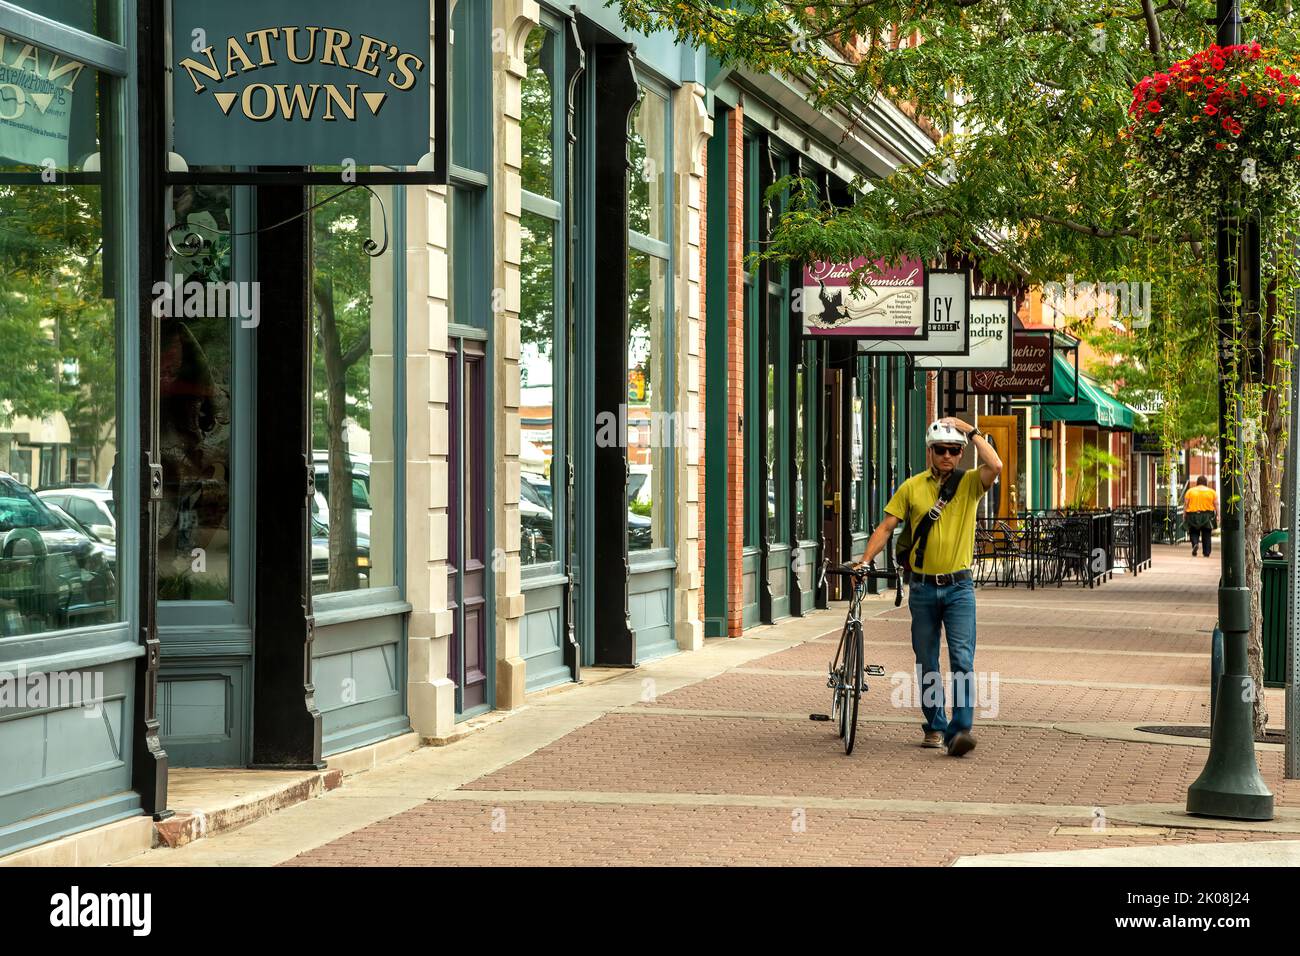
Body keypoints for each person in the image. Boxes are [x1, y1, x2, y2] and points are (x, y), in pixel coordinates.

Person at [855, 418, 1001, 757]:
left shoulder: (968, 485)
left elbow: (995, 464)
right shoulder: (911, 487)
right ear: (930, 452)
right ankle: (935, 725)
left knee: (963, 659)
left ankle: (960, 729)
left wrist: (972, 430)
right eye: (940, 450)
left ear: (961, 452)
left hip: (959, 588)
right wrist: (864, 561)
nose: (947, 456)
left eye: (953, 450)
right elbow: (886, 527)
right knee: (927, 661)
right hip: (921, 589)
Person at [1183, 476, 1218, 557]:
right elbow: (1216, 505)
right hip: (1207, 515)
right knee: (1206, 534)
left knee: (1193, 532)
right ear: (1206, 482)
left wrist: (1184, 514)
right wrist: (1218, 515)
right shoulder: (1212, 492)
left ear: (1197, 482)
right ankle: (1206, 552)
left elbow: (1186, 504)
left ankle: (1195, 544)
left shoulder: (1190, 491)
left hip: (1192, 515)